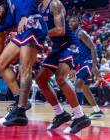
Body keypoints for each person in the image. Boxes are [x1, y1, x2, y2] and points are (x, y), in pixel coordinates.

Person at [0, 0, 48, 126]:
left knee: (24, 68)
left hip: (33, 24)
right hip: (23, 29)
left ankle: (21, 111)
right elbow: (9, 22)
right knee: (0, 64)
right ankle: (20, 100)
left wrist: (24, 16)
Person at [36, 0, 90, 134]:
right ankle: (60, 114)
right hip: (57, 47)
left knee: (60, 78)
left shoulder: (54, 3)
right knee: (40, 80)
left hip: (69, 44)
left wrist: (40, 33)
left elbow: (60, 30)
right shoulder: (38, 7)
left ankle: (80, 116)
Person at [69, 16, 104, 120]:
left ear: (79, 22)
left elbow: (93, 47)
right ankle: (97, 111)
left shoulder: (81, 33)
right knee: (84, 87)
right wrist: (73, 67)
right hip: (82, 63)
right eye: (70, 22)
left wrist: (94, 66)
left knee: (77, 85)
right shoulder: (74, 35)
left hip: (88, 62)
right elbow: (76, 53)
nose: (71, 23)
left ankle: (78, 113)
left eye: (74, 21)